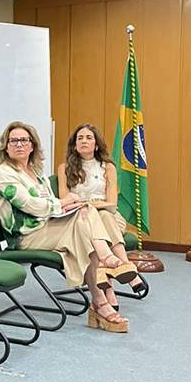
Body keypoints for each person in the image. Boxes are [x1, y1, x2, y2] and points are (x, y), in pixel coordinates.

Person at [0, 121, 138, 333]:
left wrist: (70, 204)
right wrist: (65, 202)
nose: (19, 144)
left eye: (24, 140)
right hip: (26, 236)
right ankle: (104, 282)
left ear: (32, 146)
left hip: (48, 226)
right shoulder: (4, 174)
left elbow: (49, 205)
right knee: (85, 226)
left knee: (85, 216)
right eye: (14, 141)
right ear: (6, 146)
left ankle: (100, 300)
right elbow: (35, 207)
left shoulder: (35, 172)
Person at [57, 123, 147, 309]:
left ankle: (109, 290)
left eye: (89, 138)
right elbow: (64, 199)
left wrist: (88, 204)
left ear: (96, 144)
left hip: (109, 216)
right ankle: (124, 269)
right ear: (74, 145)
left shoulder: (108, 167)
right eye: (79, 138)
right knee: (96, 225)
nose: (84, 141)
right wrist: (87, 206)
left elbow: (112, 203)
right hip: (79, 216)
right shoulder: (64, 168)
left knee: (104, 217)